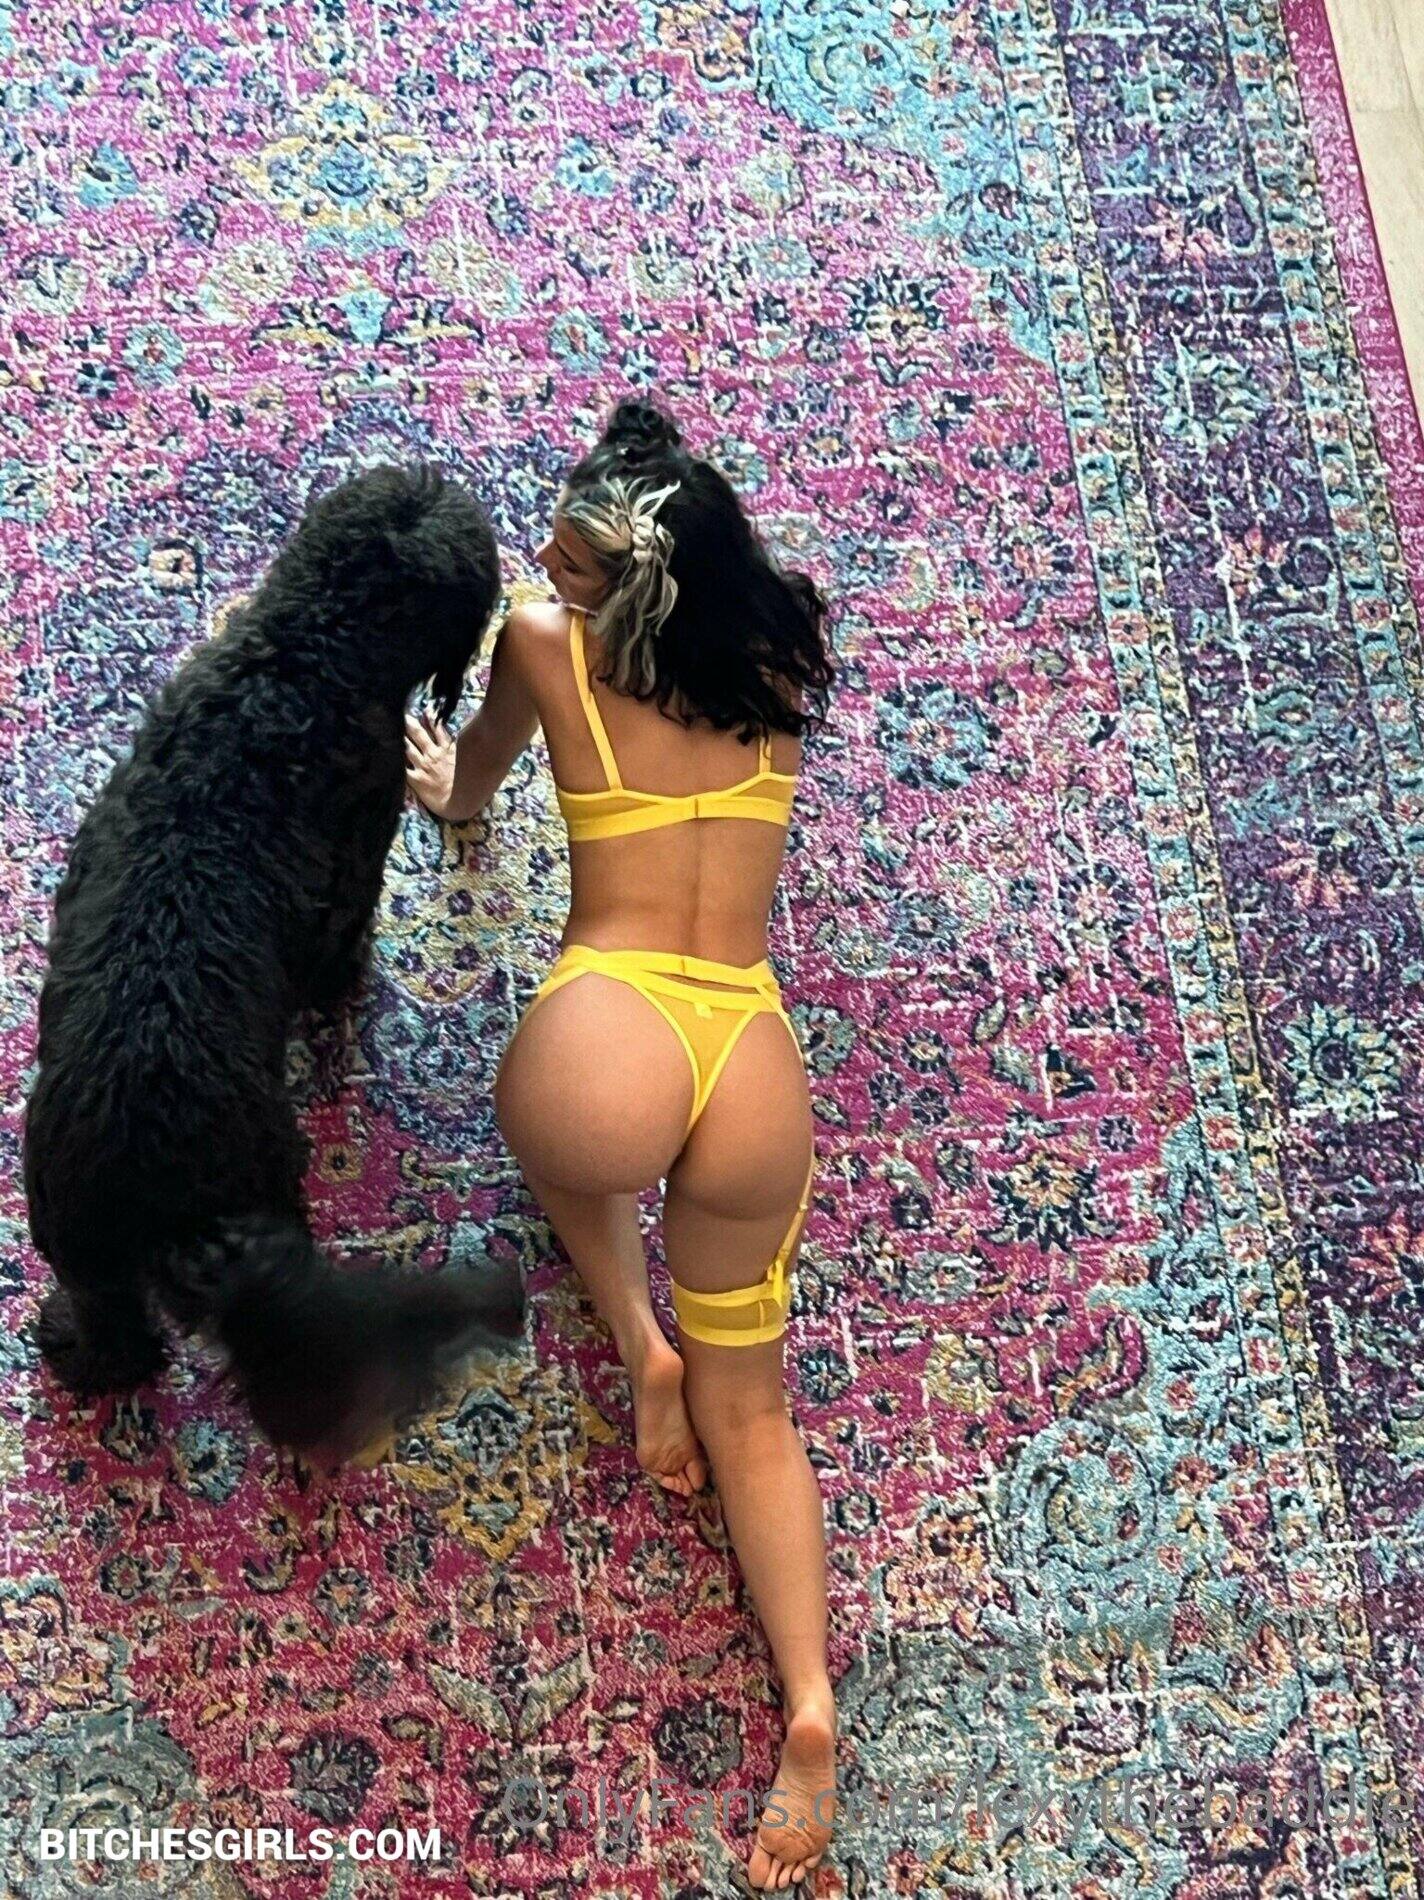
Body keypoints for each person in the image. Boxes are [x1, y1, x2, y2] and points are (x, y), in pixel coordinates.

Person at [404, 398, 838, 1889]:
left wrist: (444, 788)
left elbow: (475, 779)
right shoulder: (775, 662)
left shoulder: (541, 645)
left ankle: (640, 1344)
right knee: (757, 1415)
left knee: (563, 1136)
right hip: (751, 1061)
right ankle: (810, 1707)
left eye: (573, 564)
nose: (546, 573)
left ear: (627, 586)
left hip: (620, 1027)